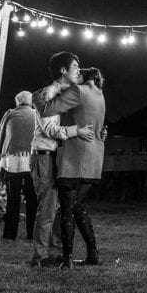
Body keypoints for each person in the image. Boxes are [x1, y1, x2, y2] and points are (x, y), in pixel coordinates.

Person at [30, 53, 96, 268]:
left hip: (59, 157)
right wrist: (76, 130)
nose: (79, 70)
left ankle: (55, 251)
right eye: (75, 66)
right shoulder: (47, 94)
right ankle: (40, 257)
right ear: (62, 70)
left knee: (61, 206)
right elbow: (50, 129)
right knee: (47, 207)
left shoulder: (67, 94)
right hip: (44, 156)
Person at [42, 65, 107, 269]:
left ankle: (67, 258)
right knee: (77, 207)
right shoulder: (100, 95)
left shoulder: (79, 91)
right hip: (95, 158)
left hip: (75, 157)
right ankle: (93, 254)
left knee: (68, 209)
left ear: (82, 78)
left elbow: (49, 107)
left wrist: (51, 89)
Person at [0, 91, 39, 241]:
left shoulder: (9, 114)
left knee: (13, 199)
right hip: (32, 160)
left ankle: (9, 234)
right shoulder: (36, 114)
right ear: (31, 101)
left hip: (11, 162)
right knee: (32, 199)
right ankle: (32, 234)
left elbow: (1, 137)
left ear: (17, 102)